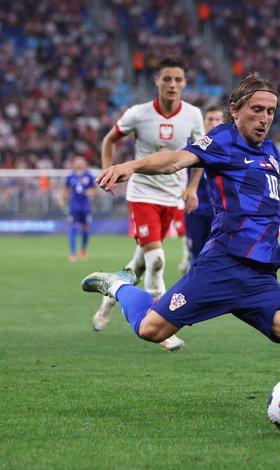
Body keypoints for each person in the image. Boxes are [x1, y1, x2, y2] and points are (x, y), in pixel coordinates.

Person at [81, 73, 280, 433]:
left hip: (260, 277)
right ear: (235, 110)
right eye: (257, 110)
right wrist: (130, 166)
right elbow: (176, 160)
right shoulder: (222, 141)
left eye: (271, 111)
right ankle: (119, 285)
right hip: (222, 267)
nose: (264, 118)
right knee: (151, 329)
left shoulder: (270, 153)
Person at [91, 56, 205, 353]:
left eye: (178, 79)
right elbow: (109, 140)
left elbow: (201, 155)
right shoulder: (139, 114)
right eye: (167, 79)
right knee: (157, 260)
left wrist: (192, 187)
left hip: (171, 196)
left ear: (185, 83)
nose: (172, 84)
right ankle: (163, 326)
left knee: (141, 263)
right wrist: (109, 172)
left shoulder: (193, 115)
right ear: (157, 81)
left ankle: (108, 300)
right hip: (142, 194)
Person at [182, 105, 225, 269]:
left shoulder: (229, 148)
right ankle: (192, 290)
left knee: (219, 257)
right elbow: (176, 168)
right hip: (196, 211)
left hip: (221, 213)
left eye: (217, 119)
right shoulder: (193, 146)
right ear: (203, 123)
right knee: (198, 256)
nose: (213, 123)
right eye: (210, 119)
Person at [60, 156, 96, 262]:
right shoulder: (70, 176)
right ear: (74, 164)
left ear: (84, 164)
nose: (79, 164)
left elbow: (94, 189)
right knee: (73, 228)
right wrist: (62, 200)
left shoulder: (89, 176)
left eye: (81, 162)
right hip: (74, 207)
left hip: (85, 207)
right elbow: (66, 189)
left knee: (85, 228)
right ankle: (73, 253)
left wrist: (90, 192)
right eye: (77, 162)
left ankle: (83, 250)